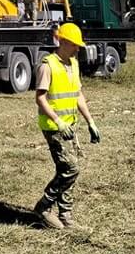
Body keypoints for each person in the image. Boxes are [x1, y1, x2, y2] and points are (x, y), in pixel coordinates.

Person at [33, 22, 101, 229]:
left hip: (70, 126)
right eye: (74, 45)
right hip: (54, 127)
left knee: (68, 169)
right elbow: (40, 98)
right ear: (62, 41)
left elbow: (78, 94)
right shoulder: (47, 65)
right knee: (71, 168)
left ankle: (66, 217)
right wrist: (58, 121)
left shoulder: (73, 63)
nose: (77, 49)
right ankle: (43, 207)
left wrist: (90, 121)